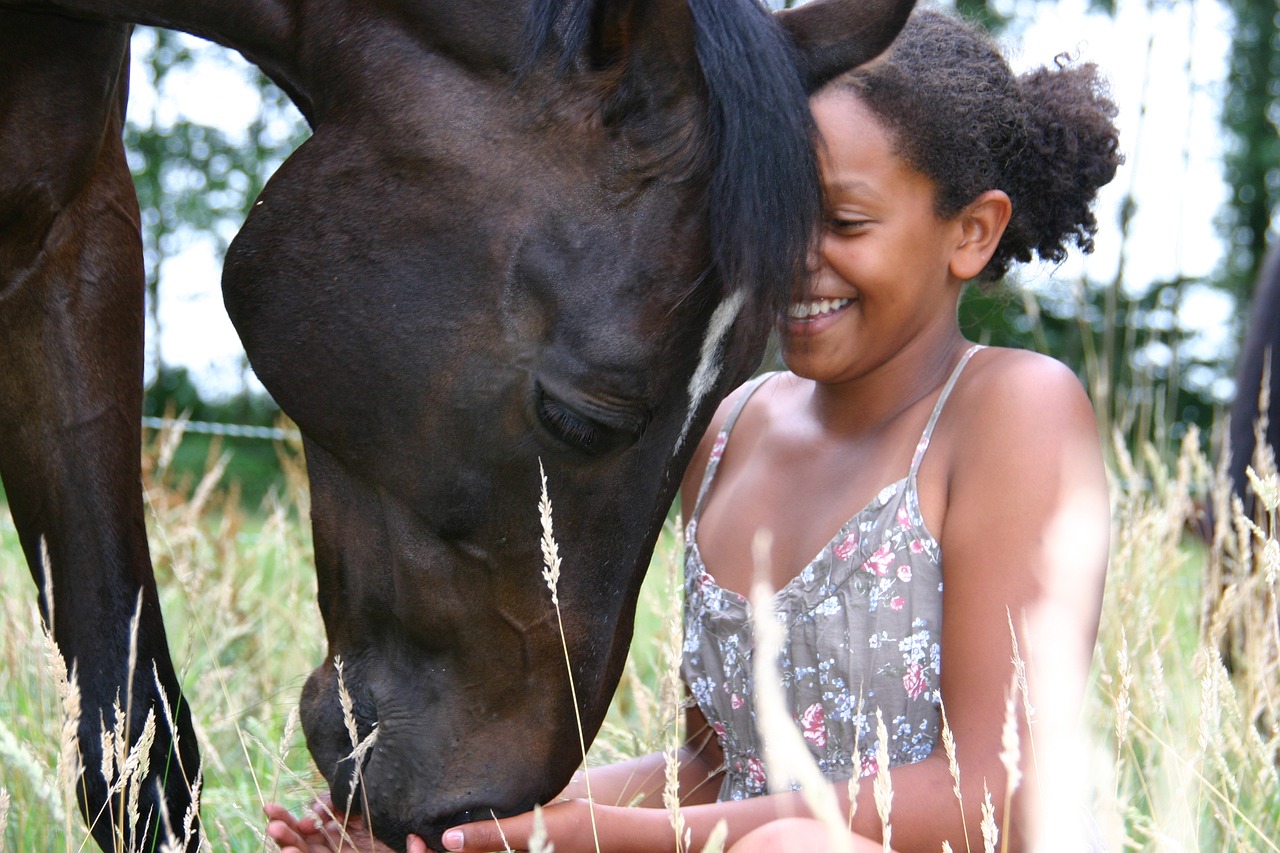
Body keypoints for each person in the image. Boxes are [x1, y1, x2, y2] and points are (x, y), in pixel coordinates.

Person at [265, 6, 1119, 851]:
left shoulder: (1013, 412)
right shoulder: (730, 427)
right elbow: (713, 770)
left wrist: (606, 836)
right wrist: (471, 836)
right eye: (771, 213)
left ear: (972, 231)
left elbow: (994, 798)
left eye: (845, 221)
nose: (790, 254)